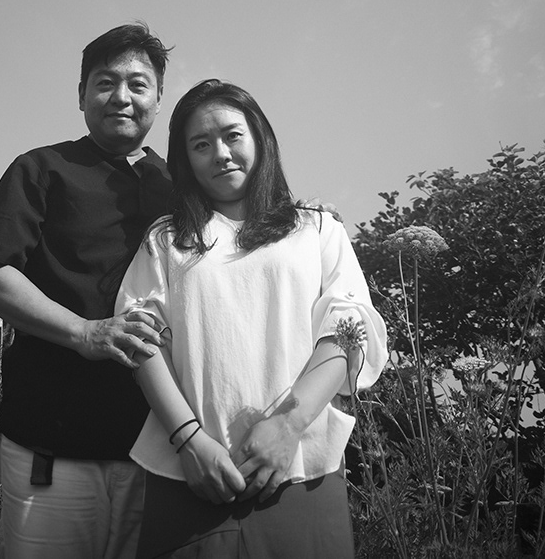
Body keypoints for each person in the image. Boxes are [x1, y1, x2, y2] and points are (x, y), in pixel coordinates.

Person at [115, 79, 389, 558]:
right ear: (185, 160)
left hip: (302, 471)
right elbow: (140, 339)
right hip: (190, 476)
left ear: (260, 137)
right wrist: (189, 441)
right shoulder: (166, 239)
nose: (220, 154)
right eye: (201, 145)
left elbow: (348, 330)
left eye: (232, 135)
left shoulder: (316, 229)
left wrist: (288, 426)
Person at [0, 23, 174, 558]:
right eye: (104, 83)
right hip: (51, 441)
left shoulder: (181, 188)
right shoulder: (42, 168)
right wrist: (84, 332)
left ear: (158, 98)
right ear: (81, 95)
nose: (121, 97)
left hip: (162, 450)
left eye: (138, 84)